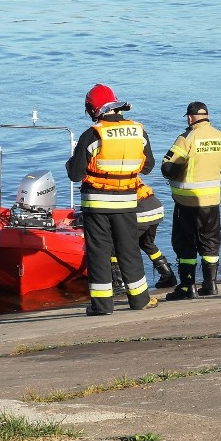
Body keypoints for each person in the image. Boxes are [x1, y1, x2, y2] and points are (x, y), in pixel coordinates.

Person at [66, 84, 159, 315]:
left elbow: (75, 174)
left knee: (99, 252)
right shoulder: (138, 132)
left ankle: (102, 306)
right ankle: (140, 300)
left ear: (93, 108)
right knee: (128, 249)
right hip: (127, 201)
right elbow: (148, 167)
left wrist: (72, 160)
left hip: (96, 204)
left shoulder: (93, 134)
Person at [161, 101, 221, 300]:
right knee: (210, 242)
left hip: (187, 202)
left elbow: (168, 168)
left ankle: (187, 287)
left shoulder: (186, 138)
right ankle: (210, 285)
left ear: (189, 117)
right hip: (212, 200)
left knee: (185, 243)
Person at [110, 178, 178, 294]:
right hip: (156, 208)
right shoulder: (127, 175)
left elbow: (107, 207)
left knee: (115, 247)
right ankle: (168, 276)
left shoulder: (107, 183)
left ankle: (118, 284)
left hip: (141, 213)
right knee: (147, 244)